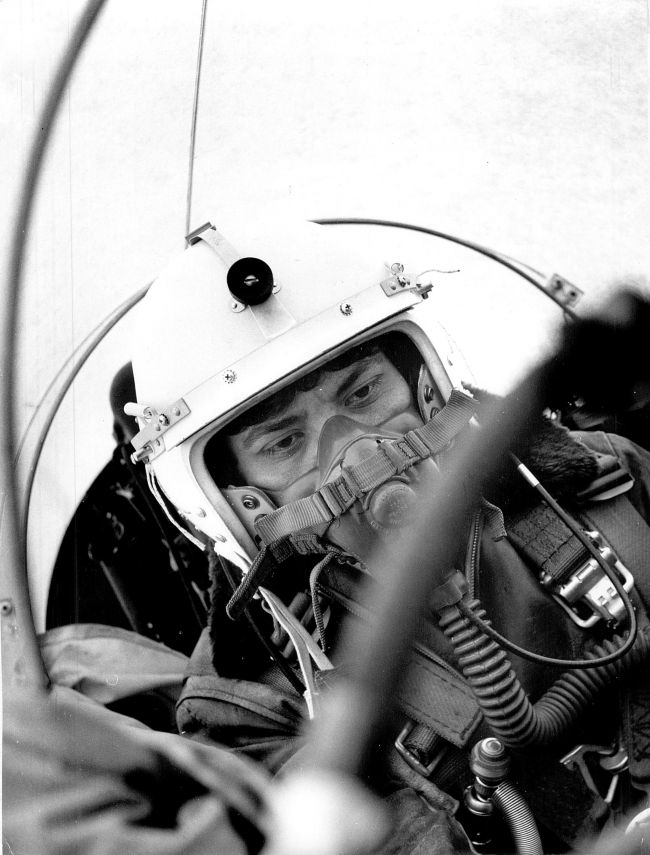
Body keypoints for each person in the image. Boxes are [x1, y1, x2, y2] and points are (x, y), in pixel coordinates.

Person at [129, 214, 650, 853]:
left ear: (426, 388)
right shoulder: (250, 709)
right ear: (238, 504)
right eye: (286, 442)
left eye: (364, 391)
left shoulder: (610, 483)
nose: (356, 452)